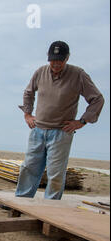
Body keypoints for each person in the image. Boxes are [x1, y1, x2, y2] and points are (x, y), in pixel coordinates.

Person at [15, 40, 104, 200]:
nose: (55, 64)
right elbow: (28, 92)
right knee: (28, 168)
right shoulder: (40, 72)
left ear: (67, 58)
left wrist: (82, 121)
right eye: (52, 60)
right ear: (48, 58)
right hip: (38, 130)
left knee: (56, 173)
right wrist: (27, 114)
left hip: (61, 133)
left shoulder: (79, 75)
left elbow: (97, 99)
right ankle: (21, 200)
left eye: (59, 61)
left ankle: (51, 207)